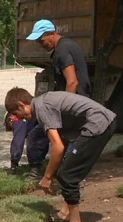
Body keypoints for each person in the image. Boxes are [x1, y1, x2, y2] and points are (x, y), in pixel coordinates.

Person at [5, 87, 116, 222]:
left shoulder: (41, 108)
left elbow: (58, 147)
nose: (18, 118)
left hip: (99, 124)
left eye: (16, 113)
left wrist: (47, 176)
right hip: (103, 122)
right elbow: (62, 142)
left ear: (22, 104)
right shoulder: (42, 103)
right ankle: (66, 213)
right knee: (66, 170)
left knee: (67, 175)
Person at [24, 19, 92, 180]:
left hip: (73, 103)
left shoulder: (62, 51)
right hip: (79, 101)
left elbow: (72, 81)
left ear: (51, 33)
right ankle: (66, 175)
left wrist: (64, 109)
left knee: (37, 135)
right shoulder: (69, 45)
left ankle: (41, 173)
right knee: (66, 139)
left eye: (41, 40)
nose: (41, 44)